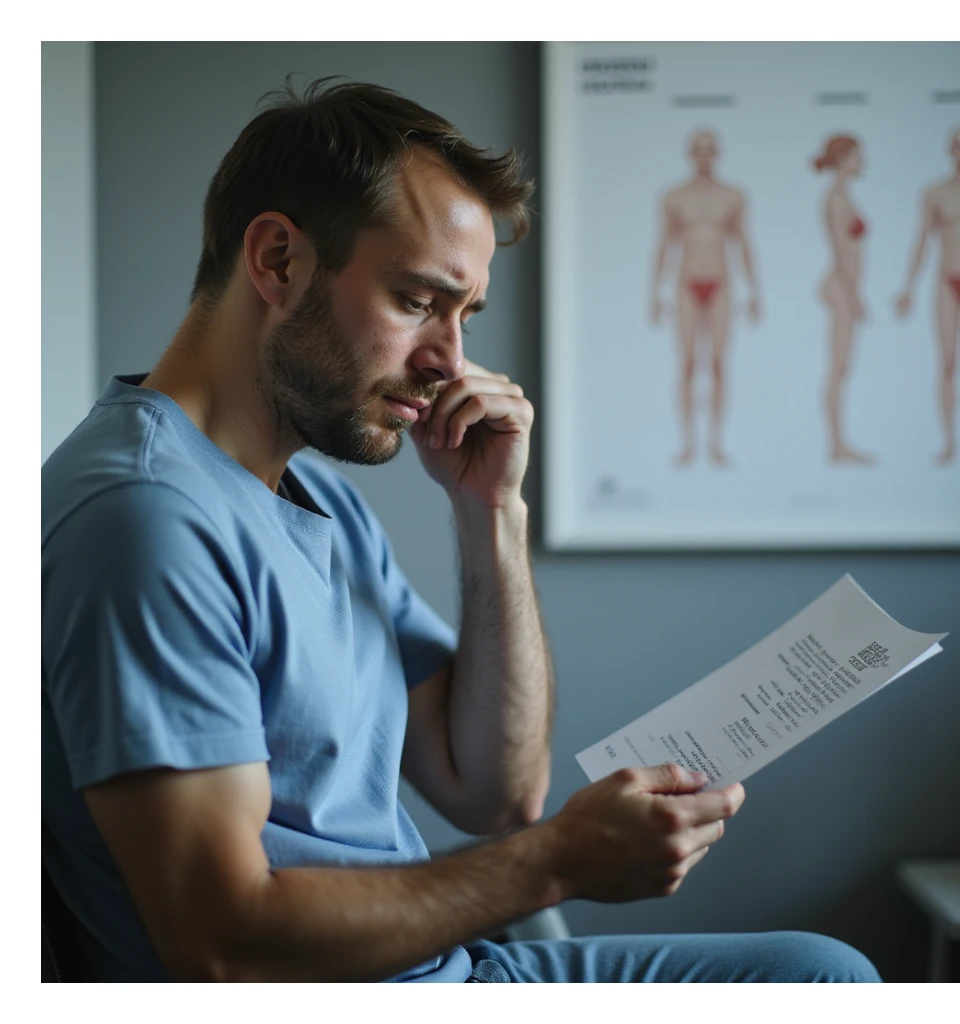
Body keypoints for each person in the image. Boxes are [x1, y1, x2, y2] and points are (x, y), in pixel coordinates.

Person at [41, 77, 881, 984]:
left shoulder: (317, 503)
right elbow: (221, 942)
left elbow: (494, 789)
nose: (450, 359)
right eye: (416, 301)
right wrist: (557, 863)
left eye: (464, 314)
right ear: (278, 261)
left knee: (821, 972)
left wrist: (493, 514)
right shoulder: (146, 520)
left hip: (445, 969)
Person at [649, 129, 761, 468]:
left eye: (709, 150)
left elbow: (743, 243)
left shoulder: (733, 195)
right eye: (698, 150)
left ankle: (715, 444)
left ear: (717, 153)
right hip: (686, 283)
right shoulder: (674, 196)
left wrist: (755, 290)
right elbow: (663, 245)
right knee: (686, 364)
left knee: (717, 364)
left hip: (722, 283)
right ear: (690, 153)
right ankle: (687, 444)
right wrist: (654, 292)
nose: (704, 156)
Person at [895, 127, 960, 465]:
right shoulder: (935, 192)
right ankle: (948, 443)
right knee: (947, 363)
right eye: (957, 147)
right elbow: (922, 240)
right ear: (950, 150)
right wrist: (908, 287)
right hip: (947, 280)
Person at [813, 133, 876, 466]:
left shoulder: (844, 196)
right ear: (841, 159)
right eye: (856, 156)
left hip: (846, 288)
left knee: (842, 367)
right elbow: (840, 253)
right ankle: (837, 445)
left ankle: (840, 443)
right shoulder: (835, 200)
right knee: (837, 368)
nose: (860, 162)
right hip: (842, 289)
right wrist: (856, 299)